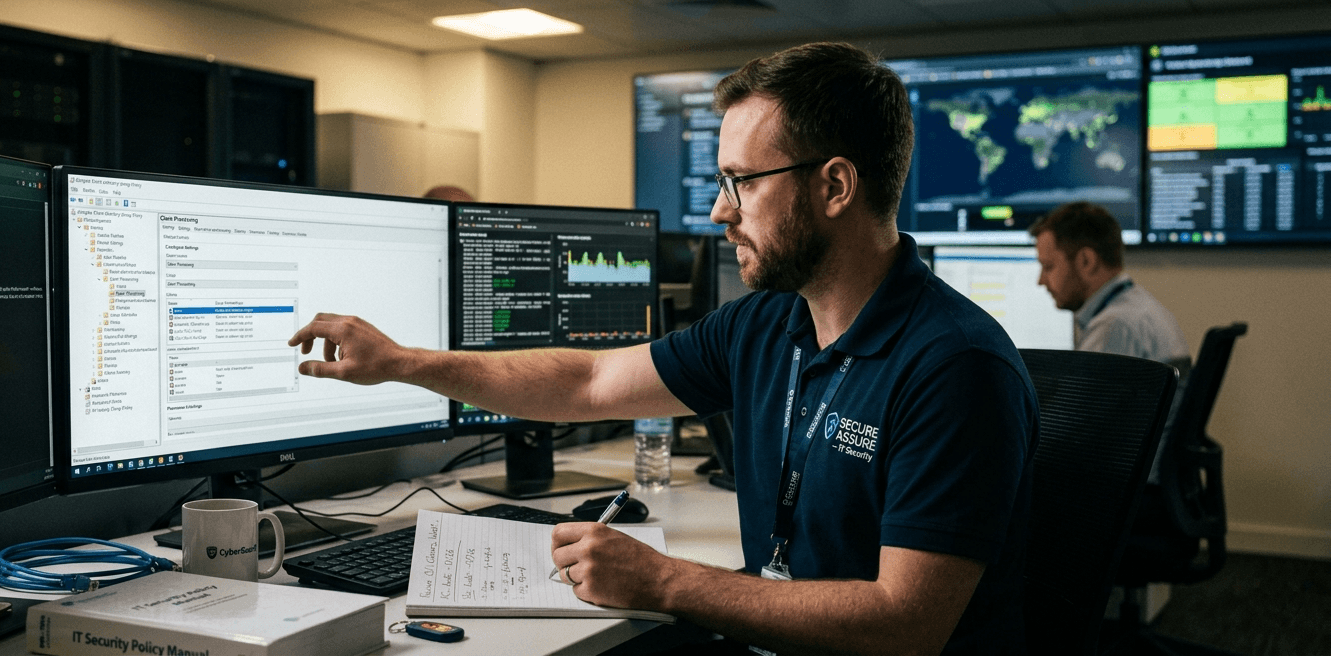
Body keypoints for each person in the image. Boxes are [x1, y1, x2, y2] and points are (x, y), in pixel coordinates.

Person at [289, 42, 1037, 655]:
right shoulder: (763, 324)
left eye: (741, 182)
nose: (717, 212)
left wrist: (666, 581)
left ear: (836, 186)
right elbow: (586, 382)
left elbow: (906, 626)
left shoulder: (955, 366)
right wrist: (405, 363)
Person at [1030, 202, 1190, 375]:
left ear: (1086, 261)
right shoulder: (1137, 308)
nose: (1041, 281)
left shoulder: (1115, 326)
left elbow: (1084, 392)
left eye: (1048, 267)